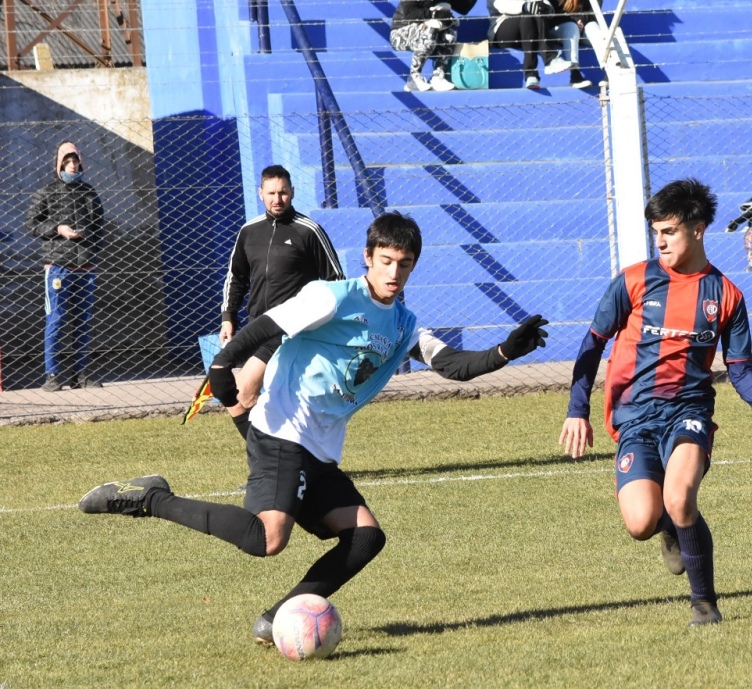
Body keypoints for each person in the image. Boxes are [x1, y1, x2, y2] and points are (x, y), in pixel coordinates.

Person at [80, 211, 550, 645]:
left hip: (321, 450)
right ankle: (149, 498)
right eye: (385, 260)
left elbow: (453, 366)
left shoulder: (405, 326)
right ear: (368, 257)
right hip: (283, 430)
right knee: (268, 538)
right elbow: (267, 326)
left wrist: (505, 351)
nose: (393, 273)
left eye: (403, 264)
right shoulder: (333, 297)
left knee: (366, 536)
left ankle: (279, 617)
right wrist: (224, 362)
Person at [559, 178, 752, 627]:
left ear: (698, 230)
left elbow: (738, 366)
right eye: (655, 232)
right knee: (642, 522)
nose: (659, 241)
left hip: (690, 412)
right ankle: (669, 530)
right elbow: (591, 344)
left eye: (669, 232)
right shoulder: (634, 282)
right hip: (635, 417)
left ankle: (704, 603)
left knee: (681, 498)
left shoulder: (725, 295)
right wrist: (576, 409)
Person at [220, 164, 346, 440]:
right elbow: (236, 277)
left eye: (283, 193)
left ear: (293, 193)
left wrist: (322, 324)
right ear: (260, 194)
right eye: (272, 193)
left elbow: (337, 281)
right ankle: (287, 461)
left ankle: (271, 464)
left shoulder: (308, 231)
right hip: (258, 329)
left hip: (292, 331)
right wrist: (228, 316)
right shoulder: (249, 231)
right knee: (265, 402)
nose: (278, 199)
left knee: (242, 393)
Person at [26, 141, 105, 392]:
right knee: (56, 320)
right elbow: (30, 225)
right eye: (67, 162)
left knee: (83, 321)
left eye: (75, 161)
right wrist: (57, 229)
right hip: (58, 268)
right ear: (59, 164)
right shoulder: (46, 192)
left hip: (86, 266)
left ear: (81, 162)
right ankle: (52, 375)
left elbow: (100, 226)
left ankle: (80, 375)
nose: (72, 166)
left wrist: (90, 246)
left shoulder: (89, 192)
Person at [390, 0, 477, 92]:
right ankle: (414, 78)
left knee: (450, 32)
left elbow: (463, 8)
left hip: (432, 34)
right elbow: (410, 14)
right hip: (400, 33)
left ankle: (438, 76)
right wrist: (435, 14)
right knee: (430, 28)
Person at [488, 0, 573, 89]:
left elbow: (541, 2)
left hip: (528, 30)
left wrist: (547, 8)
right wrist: (525, 6)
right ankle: (532, 71)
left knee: (537, 11)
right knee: (528, 14)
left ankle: (550, 62)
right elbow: (499, 4)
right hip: (502, 30)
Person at [548, 0, 600, 88]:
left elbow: (593, 14)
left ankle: (610, 71)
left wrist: (580, 21)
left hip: (583, 27)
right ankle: (575, 74)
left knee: (593, 27)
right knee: (571, 26)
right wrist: (575, 21)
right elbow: (553, 16)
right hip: (561, 28)